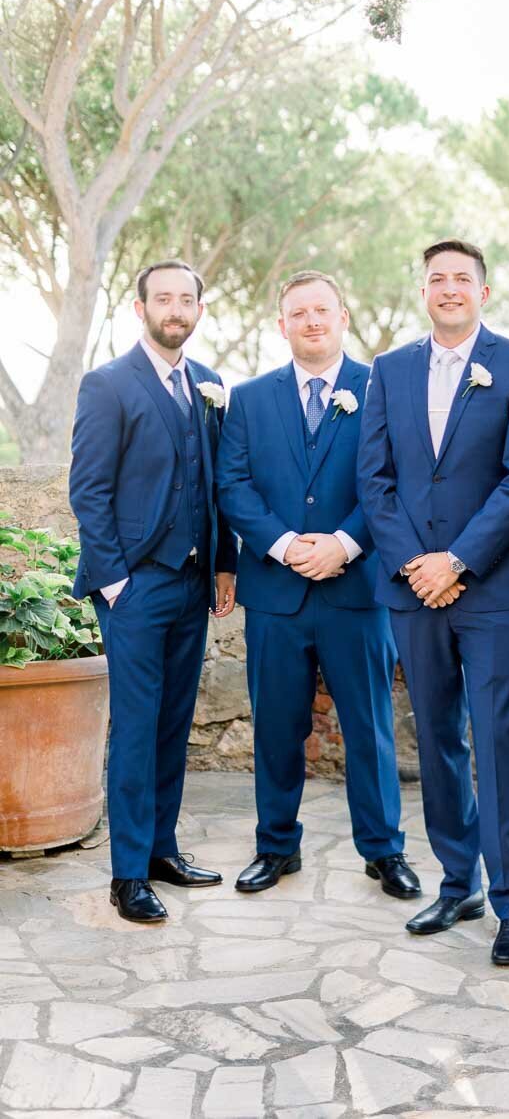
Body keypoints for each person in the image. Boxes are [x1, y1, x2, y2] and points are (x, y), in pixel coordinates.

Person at [357, 240, 509, 966]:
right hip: (412, 590)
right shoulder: (389, 370)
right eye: (436, 278)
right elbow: (373, 478)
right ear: (423, 291)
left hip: (490, 589)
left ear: (484, 291)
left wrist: (459, 560)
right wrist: (414, 563)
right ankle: (457, 879)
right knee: (435, 734)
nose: (448, 288)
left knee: (497, 737)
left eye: (461, 279)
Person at [216, 271, 417, 899]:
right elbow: (233, 485)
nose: (311, 321)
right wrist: (281, 545)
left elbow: (395, 479)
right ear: (282, 325)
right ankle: (276, 845)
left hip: (357, 591)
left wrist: (345, 544)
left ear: (343, 317)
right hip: (275, 594)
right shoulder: (248, 399)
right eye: (298, 312)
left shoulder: (380, 388)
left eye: (321, 310)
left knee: (369, 726)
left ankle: (384, 851)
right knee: (276, 725)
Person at [69, 260, 237, 923]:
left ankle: (163, 848)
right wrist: (116, 584)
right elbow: (89, 490)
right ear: (141, 309)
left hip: (194, 584)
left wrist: (225, 564)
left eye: (186, 298)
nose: (176, 308)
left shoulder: (211, 384)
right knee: (137, 727)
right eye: (163, 298)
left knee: (173, 723)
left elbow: (219, 485)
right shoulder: (107, 385)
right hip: (135, 587)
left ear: (198, 309)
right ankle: (129, 873)